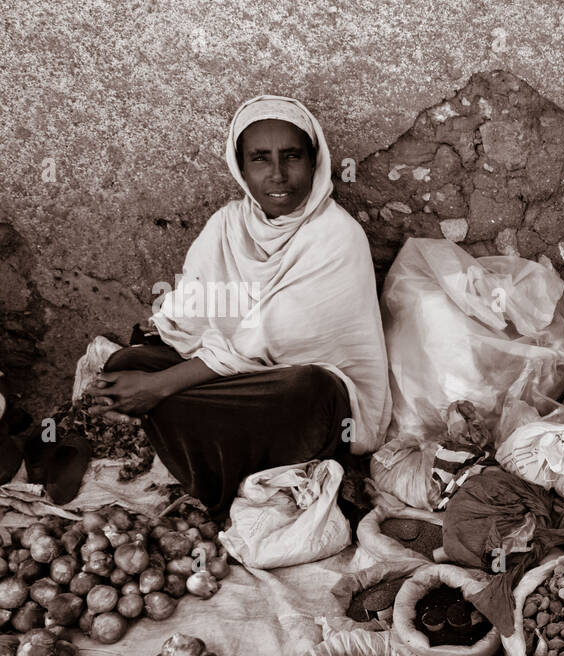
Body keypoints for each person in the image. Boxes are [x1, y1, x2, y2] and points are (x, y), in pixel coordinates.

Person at [86, 95, 391, 512]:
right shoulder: (228, 225)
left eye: (292, 156)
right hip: (230, 378)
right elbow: (192, 307)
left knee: (308, 390)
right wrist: (160, 339)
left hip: (297, 393)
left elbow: (273, 337)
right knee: (126, 365)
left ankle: (204, 456)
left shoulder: (337, 235)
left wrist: (159, 387)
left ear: (315, 161)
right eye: (260, 159)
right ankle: (213, 441)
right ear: (241, 168)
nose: (278, 174)